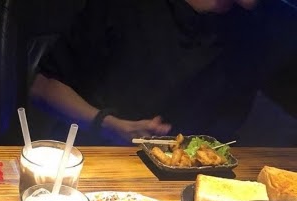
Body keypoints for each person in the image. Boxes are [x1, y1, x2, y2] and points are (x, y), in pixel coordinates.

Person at [29, 0, 297, 145]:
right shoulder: (128, 7)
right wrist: (108, 125)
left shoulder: (266, 23)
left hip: (196, 183)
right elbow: (42, 88)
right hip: (99, 159)